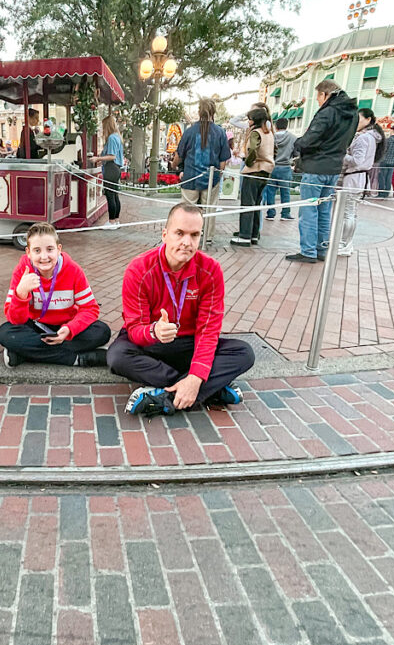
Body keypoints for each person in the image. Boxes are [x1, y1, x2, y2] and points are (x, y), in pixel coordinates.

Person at [107, 202, 255, 416]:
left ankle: (165, 397)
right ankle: (210, 390)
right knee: (117, 356)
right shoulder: (138, 269)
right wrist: (154, 331)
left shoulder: (211, 270)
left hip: (189, 344)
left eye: (194, 235)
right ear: (165, 234)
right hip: (152, 343)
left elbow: (208, 330)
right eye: (179, 233)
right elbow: (135, 329)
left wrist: (195, 377)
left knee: (244, 353)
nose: (187, 242)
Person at [0, 221, 111, 367]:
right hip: (35, 326)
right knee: (5, 333)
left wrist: (70, 329)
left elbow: (90, 309)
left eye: (49, 249)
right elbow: (15, 320)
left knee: (101, 332)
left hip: (66, 325)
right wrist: (21, 293)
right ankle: (78, 359)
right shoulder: (22, 271)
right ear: (28, 253)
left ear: (58, 249)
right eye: (37, 251)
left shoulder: (73, 270)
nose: (44, 257)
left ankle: (24, 354)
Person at [286, 79, 357, 263]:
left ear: (325, 94)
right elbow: (347, 141)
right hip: (334, 168)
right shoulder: (352, 114)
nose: (317, 100)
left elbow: (311, 138)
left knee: (309, 209)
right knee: (324, 210)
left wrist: (298, 144)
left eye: (318, 96)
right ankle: (321, 249)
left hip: (316, 166)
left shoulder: (327, 112)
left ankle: (308, 251)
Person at [174, 98, 230, 244]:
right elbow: (223, 160)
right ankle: (207, 237)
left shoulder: (190, 131)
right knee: (209, 210)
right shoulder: (220, 132)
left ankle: (186, 235)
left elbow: (179, 155)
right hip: (211, 177)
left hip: (190, 176)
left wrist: (174, 166)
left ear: (199, 111)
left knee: (188, 209)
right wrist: (218, 173)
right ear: (213, 112)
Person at [338, 108, 384, 257]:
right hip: (359, 178)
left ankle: (345, 244)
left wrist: (343, 155)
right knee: (351, 213)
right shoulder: (370, 138)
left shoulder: (363, 138)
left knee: (348, 213)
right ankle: (347, 243)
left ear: (368, 119)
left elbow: (357, 161)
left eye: (359, 119)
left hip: (354, 178)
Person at [230, 108, 274, 247]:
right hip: (266, 171)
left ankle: (244, 236)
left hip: (254, 171)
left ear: (253, 120)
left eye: (249, 119)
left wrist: (248, 162)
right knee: (256, 204)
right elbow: (275, 150)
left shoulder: (256, 133)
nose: (248, 121)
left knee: (247, 204)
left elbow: (253, 149)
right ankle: (254, 234)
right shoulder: (269, 133)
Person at [90, 114, 124, 229]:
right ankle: (116, 220)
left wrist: (98, 159)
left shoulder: (111, 138)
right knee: (114, 195)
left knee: (110, 195)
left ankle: (112, 221)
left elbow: (112, 156)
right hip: (116, 168)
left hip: (111, 168)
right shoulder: (117, 137)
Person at [262, 117, 296, 220]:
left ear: (276, 126)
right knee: (285, 192)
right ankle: (285, 213)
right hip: (285, 167)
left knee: (270, 191)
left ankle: (271, 213)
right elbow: (296, 153)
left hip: (272, 166)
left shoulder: (271, 137)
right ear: (287, 125)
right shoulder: (293, 138)